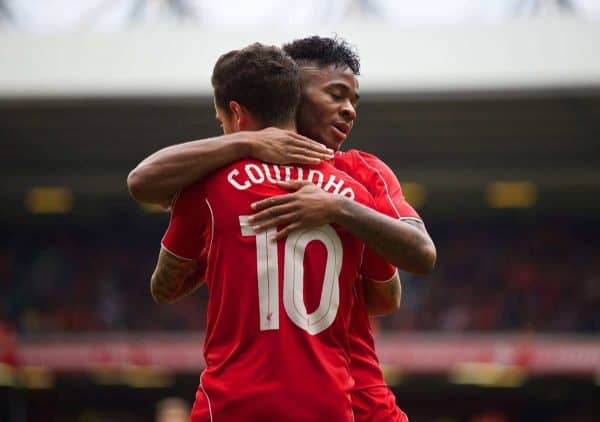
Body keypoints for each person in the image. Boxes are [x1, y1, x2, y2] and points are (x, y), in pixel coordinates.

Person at [129, 36, 437, 421]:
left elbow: (414, 262)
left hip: (342, 398)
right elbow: (385, 296)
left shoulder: (217, 181)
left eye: (353, 101)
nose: (348, 111)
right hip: (334, 401)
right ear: (294, 94)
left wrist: (334, 209)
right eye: (335, 95)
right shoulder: (357, 184)